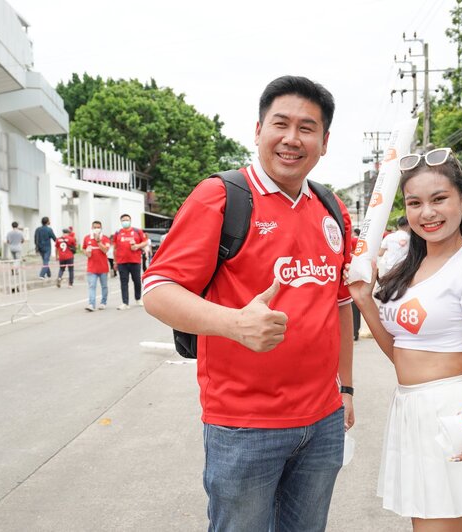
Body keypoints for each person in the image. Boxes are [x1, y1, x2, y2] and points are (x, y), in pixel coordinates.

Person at [142, 75, 354, 532]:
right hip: (243, 425)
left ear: (325, 141)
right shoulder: (221, 196)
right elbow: (158, 289)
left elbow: (339, 305)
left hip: (322, 422)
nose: (292, 139)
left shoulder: (332, 208)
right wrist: (235, 323)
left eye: (307, 127)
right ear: (258, 130)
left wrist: (347, 389)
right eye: (281, 124)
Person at [348, 148, 462, 532]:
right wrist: (364, 302)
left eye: (439, 199)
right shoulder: (409, 267)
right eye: (415, 203)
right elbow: (400, 355)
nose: (427, 213)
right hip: (409, 411)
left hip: (452, 411)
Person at [113, 214, 148, 309]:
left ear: (130, 220)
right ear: (121, 221)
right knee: (124, 282)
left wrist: (137, 246)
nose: (125, 222)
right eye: (123, 220)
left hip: (135, 261)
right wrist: (115, 261)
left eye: (127, 220)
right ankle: (125, 302)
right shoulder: (118, 233)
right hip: (122, 262)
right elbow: (115, 248)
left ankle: (138, 298)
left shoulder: (137, 231)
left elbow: (145, 242)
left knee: (137, 281)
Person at [83, 221, 110, 311]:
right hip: (92, 268)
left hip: (103, 267)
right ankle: (91, 304)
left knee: (104, 286)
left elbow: (105, 250)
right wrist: (87, 252)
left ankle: (103, 302)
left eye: (98, 227)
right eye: (95, 227)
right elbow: (83, 249)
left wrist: (98, 242)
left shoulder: (105, 238)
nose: (96, 229)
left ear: (101, 228)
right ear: (92, 228)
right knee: (92, 286)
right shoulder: (87, 238)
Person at [350, 227, 362, 341]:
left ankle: (354, 332)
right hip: (356, 271)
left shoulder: (352, 240)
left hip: (349, 272)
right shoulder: (359, 241)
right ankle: (356, 331)